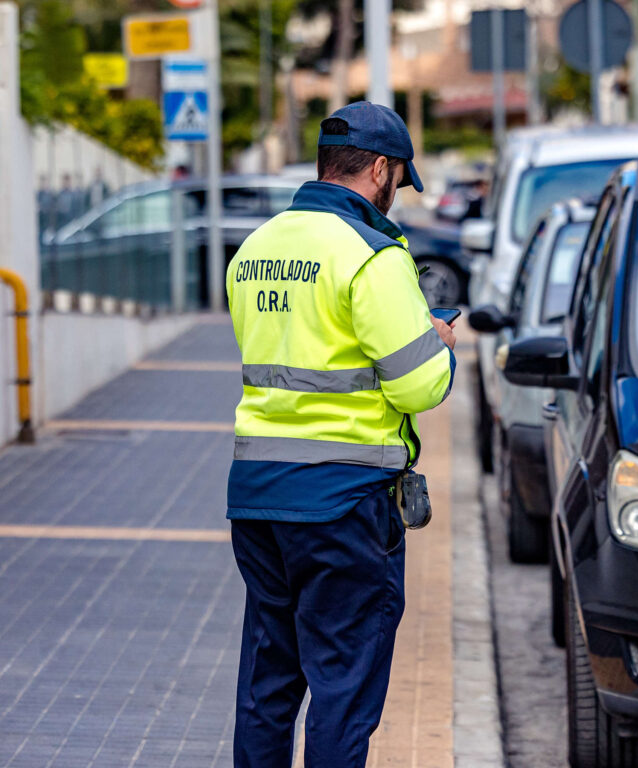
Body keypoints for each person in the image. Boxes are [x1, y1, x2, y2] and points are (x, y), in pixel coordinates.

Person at [225, 101, 457, 768]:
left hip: (258, 498)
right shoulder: (370, 256)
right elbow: (418, 387)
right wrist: (437, 345)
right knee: (342, 690)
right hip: (345, 504)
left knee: (268, 685)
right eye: (397, 181)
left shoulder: (257, 248)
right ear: (381, 170)